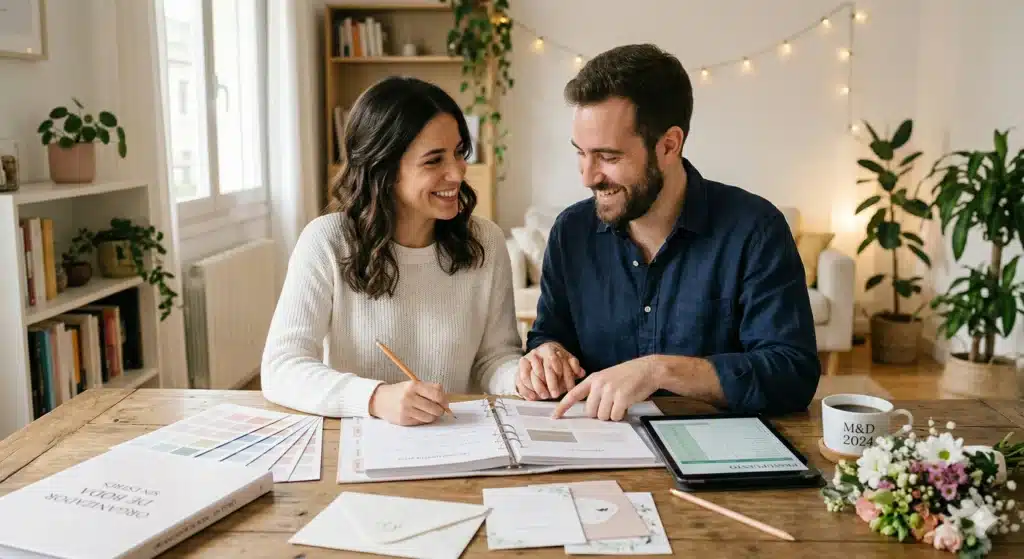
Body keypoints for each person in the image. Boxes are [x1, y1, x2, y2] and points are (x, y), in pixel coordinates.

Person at [515, 44, 820, 420]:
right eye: (581, 152)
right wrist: (544, 356)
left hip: (718, 455)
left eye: (608, 157)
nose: (588, 177)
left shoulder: (755, 229)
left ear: (669, 145)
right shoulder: (570, 232)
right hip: (597, 448)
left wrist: (660, 369)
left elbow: (792, 374)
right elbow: (549, 334)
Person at [261, 76, 523, 426]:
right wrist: (375, 398)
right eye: (434, 161)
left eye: (459, 153)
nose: (457, 173)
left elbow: (495, 359)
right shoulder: (326, 241)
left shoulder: (485, 242)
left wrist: (524, 377)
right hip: (358, 441)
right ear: (383, 169)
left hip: (456, 438)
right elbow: (281, 366)